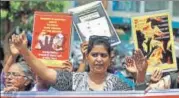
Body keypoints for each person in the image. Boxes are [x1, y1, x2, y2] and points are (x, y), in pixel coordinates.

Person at [11, 33, 147, 91]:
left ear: (110, 59)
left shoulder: (118, 84)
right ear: (87, 57)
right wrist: (24, 50)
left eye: (103, 55)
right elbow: (45, 73)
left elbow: (139, 96)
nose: (99, 59)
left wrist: (141, 74)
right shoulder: (74, 80)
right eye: (94, 55)